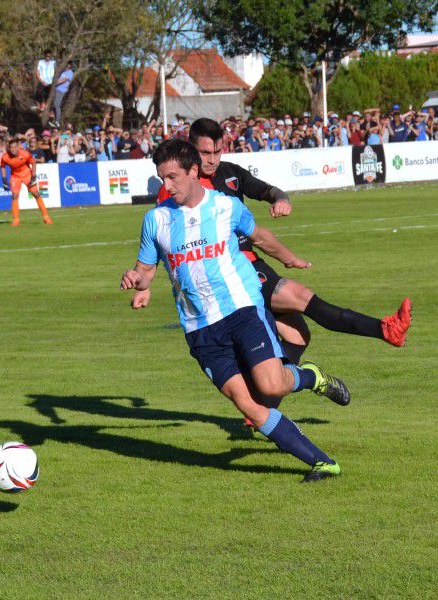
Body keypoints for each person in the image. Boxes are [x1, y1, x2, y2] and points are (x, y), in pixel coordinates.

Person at [122, 139, 349, 482]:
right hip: (200, 329)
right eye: (161, 178)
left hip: (241, 309)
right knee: (248, 406)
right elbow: (147, 270)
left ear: (193, 171)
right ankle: (322, 463)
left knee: (272, 387)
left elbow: (259, 237)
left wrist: (289, 258)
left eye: (172, 177)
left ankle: (311, 376)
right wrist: (138, 281)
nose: (165, 186)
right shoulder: (156, 220)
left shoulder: (225, 206)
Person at [156, 118, 412, 368]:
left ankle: (261, 403)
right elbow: (163, 235)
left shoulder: (230, 173)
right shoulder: (179, 187)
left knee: (298, 336)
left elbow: (270, 191)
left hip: (253, 263)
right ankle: (386, 329)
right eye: (204, 153)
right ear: (190, 149)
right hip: (229, 272)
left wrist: (282, 200)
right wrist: (145, 276)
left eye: (218, 151)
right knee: (301, 297)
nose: (212, 159)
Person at [0, 138, 52, 227]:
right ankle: (16, 220)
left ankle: (46, 217)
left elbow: (33, 163)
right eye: (11, 147)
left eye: (15, 147)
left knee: (36, 194)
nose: (13, 149)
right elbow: (2, 166)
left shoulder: (25, 154)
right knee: (15, 196)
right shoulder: (5, 157)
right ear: (9, 148)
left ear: (18, 147)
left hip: (27, 174)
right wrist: (4, 179)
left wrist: (34, 176)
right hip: (15, 176)